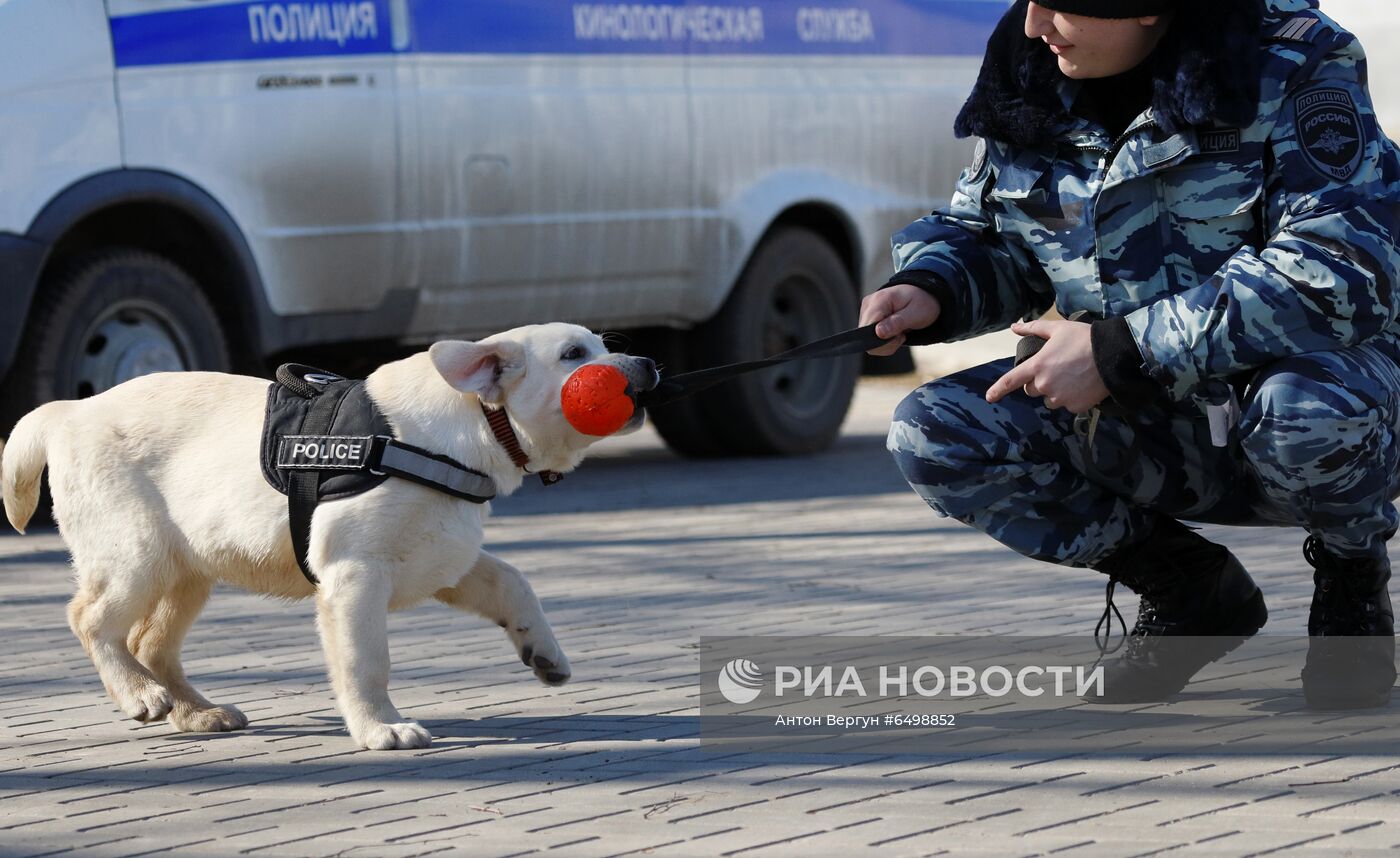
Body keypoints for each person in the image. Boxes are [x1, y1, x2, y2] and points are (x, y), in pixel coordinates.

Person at [860, 0, 1399, 708]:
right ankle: (1190, 592)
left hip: (1311, 397)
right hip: (1142, 400)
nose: (1033, 25)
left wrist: (1123, 349)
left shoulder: (1290, 65)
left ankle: (1350, 576)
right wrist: (934, 285)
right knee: (938, 432)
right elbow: (997, 234)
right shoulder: (1032, 73)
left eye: (1057, 4)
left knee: (1305, 411)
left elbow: (1337, 267)